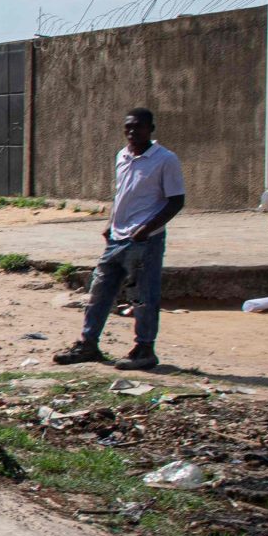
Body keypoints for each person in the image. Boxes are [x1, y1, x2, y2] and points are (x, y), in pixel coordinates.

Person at [55, 107, 184, 372]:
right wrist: (109, 224)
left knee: (143, 297)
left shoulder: (165, 160)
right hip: (117, 237)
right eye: (128, 127)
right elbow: (122, 195)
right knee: (99, 292)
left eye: (138, 127)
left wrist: (147, 229)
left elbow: (176, 201)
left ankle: (144, 349)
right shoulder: (123, 156)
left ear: (151, 129)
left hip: (145, 241)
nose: (132, 132)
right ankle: (88, 343)